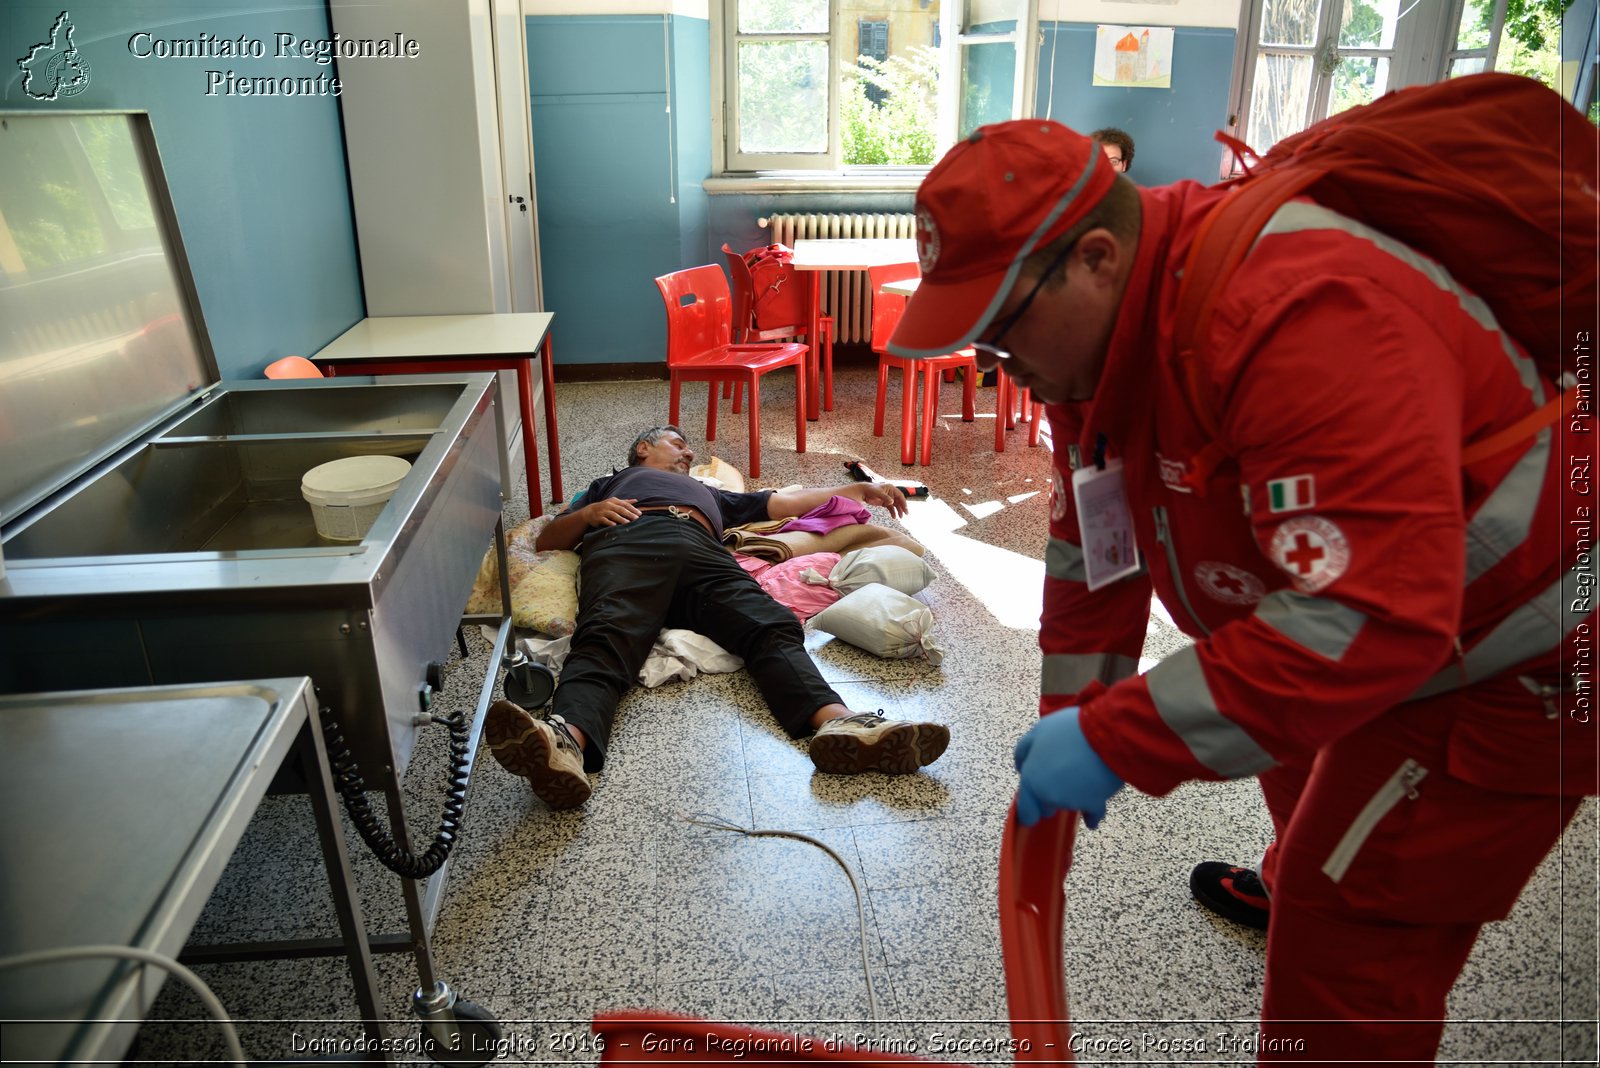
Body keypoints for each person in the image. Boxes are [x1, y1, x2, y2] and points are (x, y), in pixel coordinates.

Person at [887, 120, 1591, 1061]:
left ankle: (1322, 903)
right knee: (1301, 800)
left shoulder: (1300, 312)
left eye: (1001, 335)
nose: (1000, 368)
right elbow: (1093, 556)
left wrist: (1116, 738)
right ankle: (1306, 871)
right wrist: (1072, 713)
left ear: (1095, 258)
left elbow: (1369, 616)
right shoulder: (1098, 350)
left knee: (1350, 926)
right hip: (1378, 624)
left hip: (1521, 653)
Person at [486, 425, 950, 809]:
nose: (688, 453)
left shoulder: (711, 495)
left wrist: (861, 488)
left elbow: (790, 502)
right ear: (643, 449)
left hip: (704, 554)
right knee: (606, 637)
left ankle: (840, 722)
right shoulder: (610, 485)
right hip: (629, 541)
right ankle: (566, 742)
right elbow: (548, 541)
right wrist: (589, 512)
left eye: (689, 448)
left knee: (769, 627)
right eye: (677, 443)